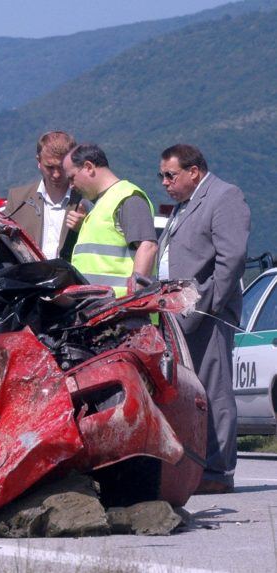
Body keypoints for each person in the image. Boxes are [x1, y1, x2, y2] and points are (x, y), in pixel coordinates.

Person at [157, 143, 249, 494]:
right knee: (191, 393)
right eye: (161, 175)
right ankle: (196, 467)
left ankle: (219, 471)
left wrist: (208, 303)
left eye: (170, 175)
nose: (164, 182)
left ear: (193, 171)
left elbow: (232, 257)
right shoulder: (185, 204)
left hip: (206, 313)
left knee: (214, 391)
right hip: (178, 312)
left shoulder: (225, 196)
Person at [63, 144, 158, 297]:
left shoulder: (128, 197)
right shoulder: (101, 203)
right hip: (98, 310)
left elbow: (148, 247)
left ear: (88, 167)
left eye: (72, 177)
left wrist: (134, 301)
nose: (71, 185)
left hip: (121, 313)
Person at [4, 131, 86, 261]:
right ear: (39, 161)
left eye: (61, 167)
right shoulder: (18, 199)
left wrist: (85, 229)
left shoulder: (86, 200)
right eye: (50, 167)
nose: (56, 174)